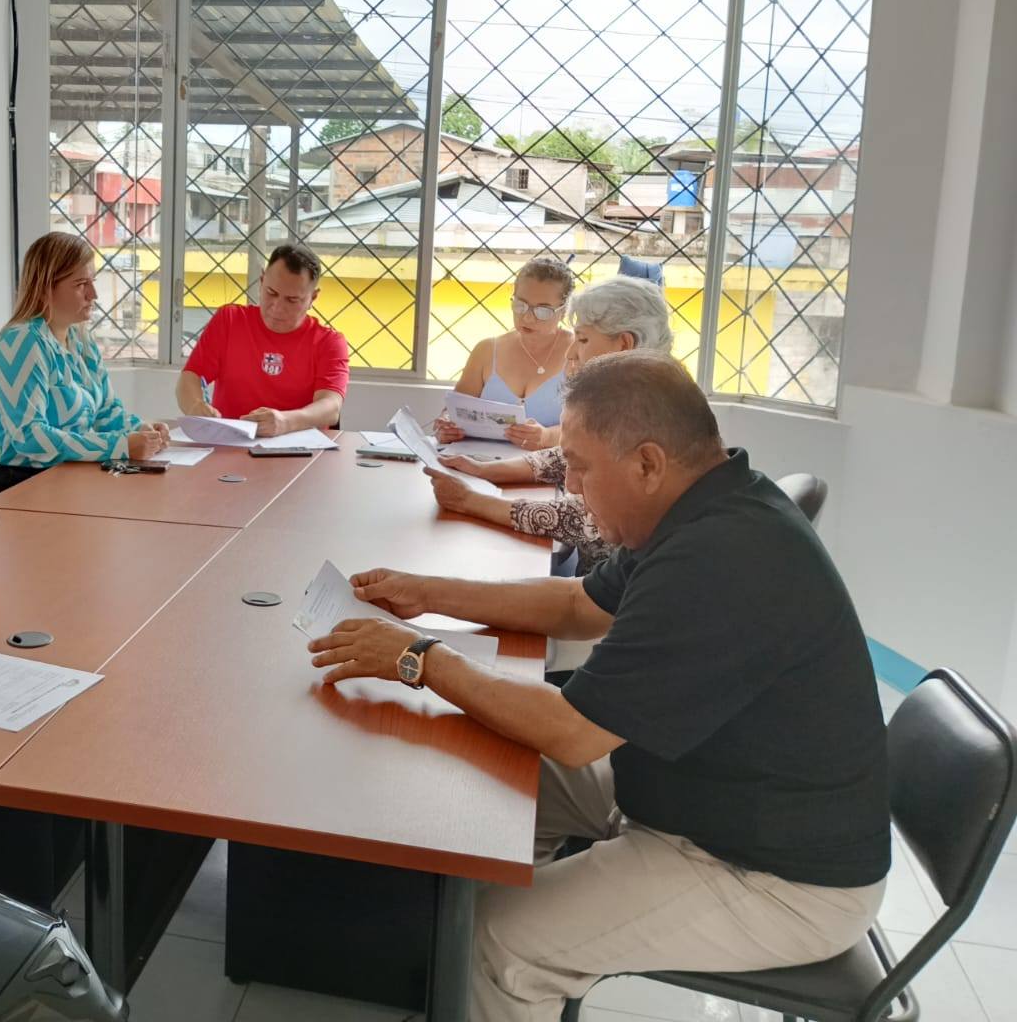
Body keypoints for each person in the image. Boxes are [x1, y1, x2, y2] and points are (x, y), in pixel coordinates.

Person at [309, 351, 888, 1022]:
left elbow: (574, 732)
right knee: (490, 774)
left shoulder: (721, 558)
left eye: (580, 467)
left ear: (647, 463)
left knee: (500, 940)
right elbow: (577, 603)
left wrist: (418, 658)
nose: (571, 486)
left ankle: (491, 971)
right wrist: (427, 592)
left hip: (771, 874)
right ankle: (458, 969)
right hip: (697, 790)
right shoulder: (700, 506)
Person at [428, 276, 673, 571]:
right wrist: (483, 469)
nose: (570, 353)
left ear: (624, 344)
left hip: (618, 590)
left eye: (583, 340)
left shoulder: (645, 414)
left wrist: (469, 500)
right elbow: (564, 458)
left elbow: (581, 518)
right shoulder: (638, 395)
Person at [0, 233, 168, 509]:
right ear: (45, 287)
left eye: (92, 281)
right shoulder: (22, 343)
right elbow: (30, 438)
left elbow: (105, 411)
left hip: (56, 481)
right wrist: (121, 445)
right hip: (5, 489)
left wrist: (142, 431)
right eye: (81, 284)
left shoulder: (81, 340)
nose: (93, 295)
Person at [176, 242, 349, 437]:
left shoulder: (329, 342)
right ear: (261, 281)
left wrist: (285, 422)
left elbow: (331, 406)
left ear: (313, 298)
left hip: (297, 447)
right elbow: (190, 376)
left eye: (292, 300)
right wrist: (196, 407)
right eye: (271, 293)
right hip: (229, 443)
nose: (277, 307)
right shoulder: (229, 321)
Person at [435, 255, 574, 451]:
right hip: (479, 462)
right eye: (520, 305)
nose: (527, 318)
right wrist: (446, 426)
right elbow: (453, 411)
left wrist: (547, 436)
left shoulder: (579, 353)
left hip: (546, 466)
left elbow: (592, 428)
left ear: (564, 311)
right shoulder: (486, 351)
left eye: (543, 311)